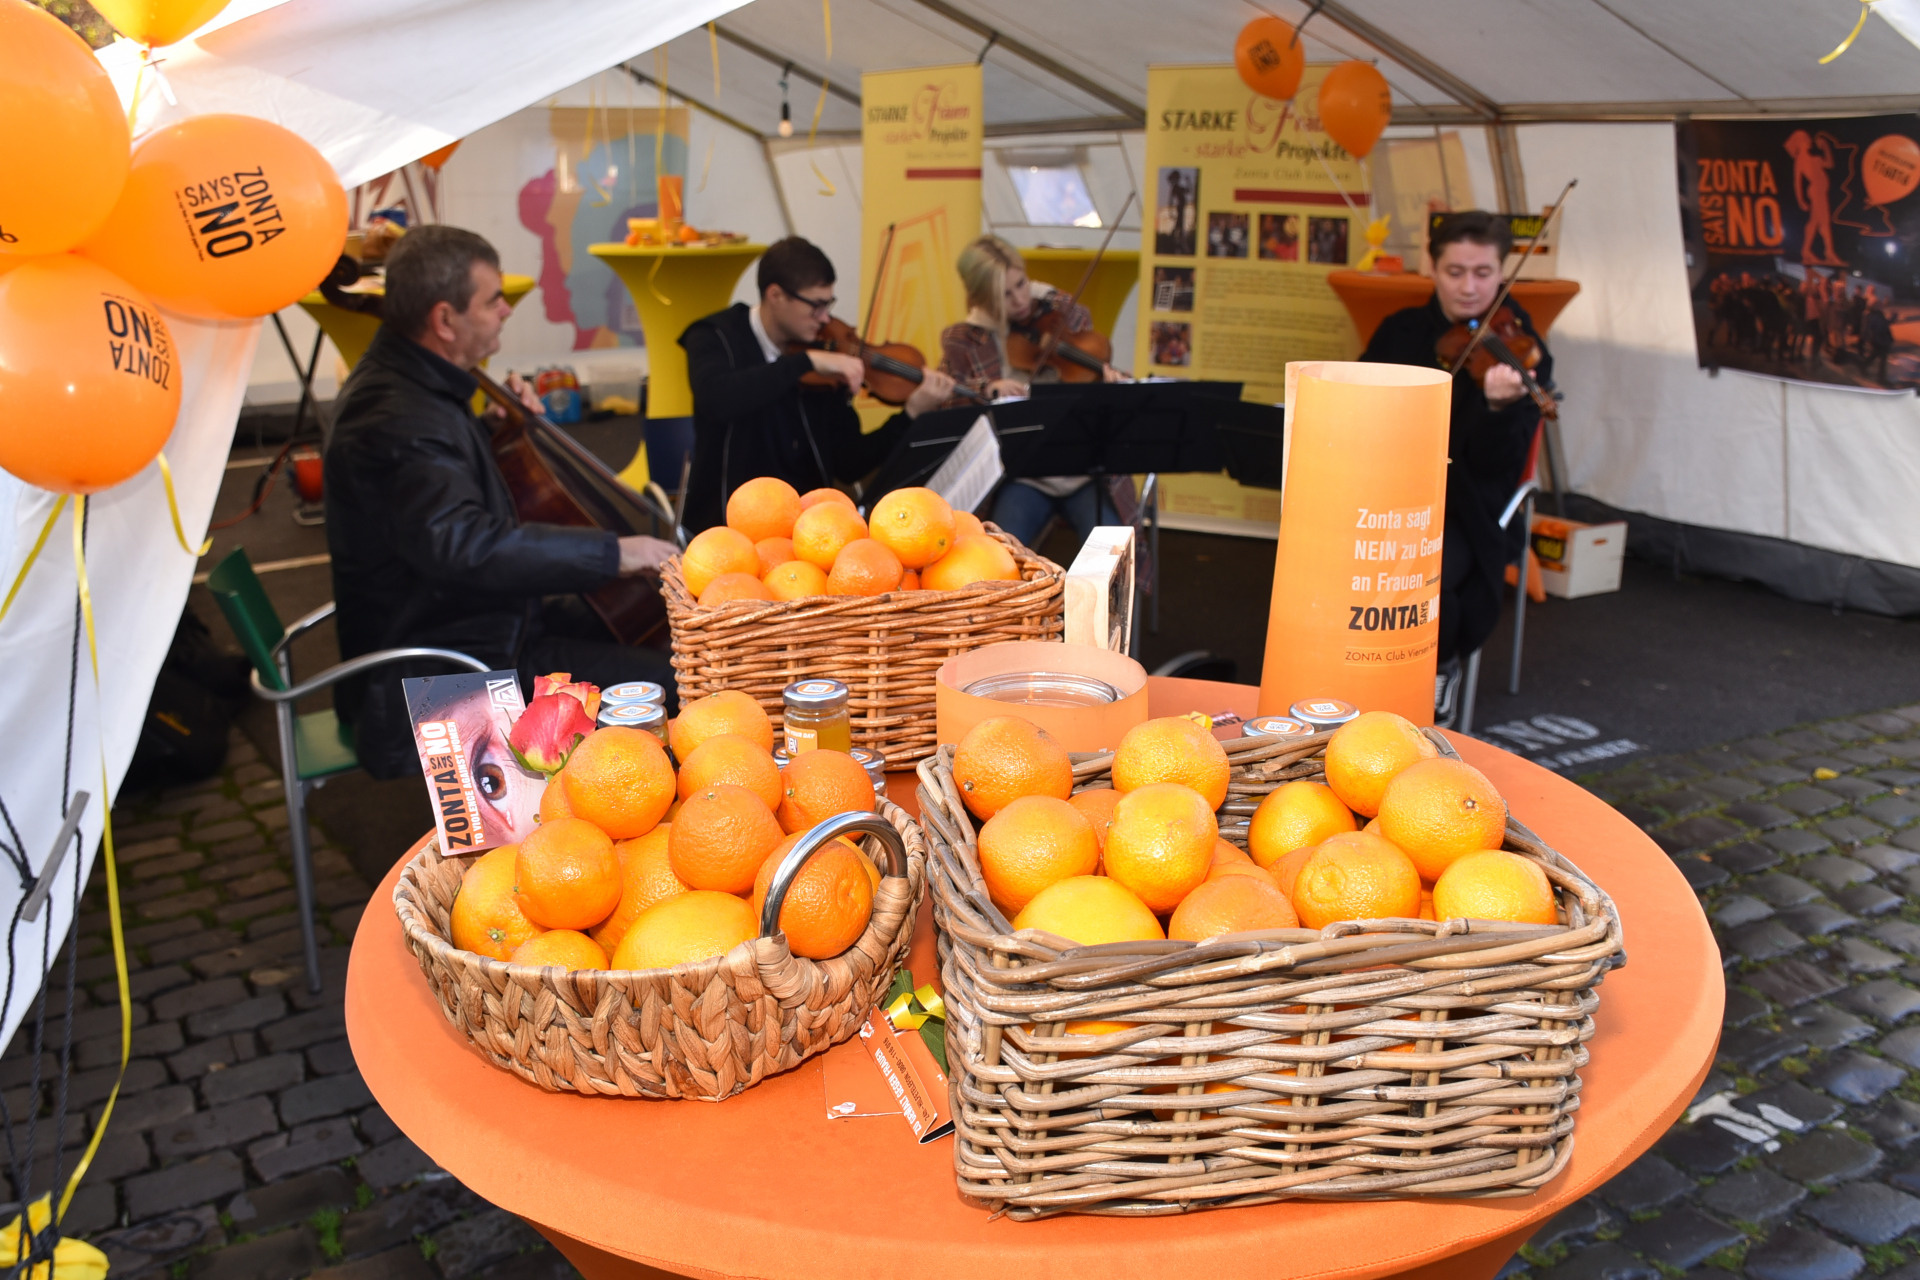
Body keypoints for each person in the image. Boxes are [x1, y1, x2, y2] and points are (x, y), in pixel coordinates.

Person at [324, 225, 679, 779]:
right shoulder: (396, 415)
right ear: (444, 321)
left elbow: (427, 493)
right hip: (440, 672)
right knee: (666, 687)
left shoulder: (414, 390)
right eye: (493, 300)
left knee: (663, 653)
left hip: (478, 624)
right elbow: (461, 543)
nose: (507, 311)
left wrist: (490, 432)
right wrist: (616, 553)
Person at [1360, 211, 1553, 727]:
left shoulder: (1519, 349)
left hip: (1470, 505)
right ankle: (1349, 679)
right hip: (1388, 494)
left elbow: (1500, 467)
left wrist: (1498, 411)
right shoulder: (1401, 332)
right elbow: (1359, 412)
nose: (1470, 288)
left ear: (1502, 271)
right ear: (1433, 267)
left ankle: (1434, 671)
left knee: (1428, 580)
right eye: (1455, 272)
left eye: (1484, 273)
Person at [678, 237, 955, 533]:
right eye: (816, 306)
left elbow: (850, 463)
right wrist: (805, 362)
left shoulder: (827, 358)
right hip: (727, 525)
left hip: (810, 530)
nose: (825, 318)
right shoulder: (714, 336)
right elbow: (717, 399)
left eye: (829, 305)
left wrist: (909, 416)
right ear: (776, 295)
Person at [938, 236, 1125, 548]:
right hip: (1023, 475)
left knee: (1112, 552)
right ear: (982, 299)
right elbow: (946, 399)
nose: (1020, 300)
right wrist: (987, 389)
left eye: (1021, 284)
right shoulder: (964, 339)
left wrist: (1110, 386)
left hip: (1081, 473)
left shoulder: (1063, 314)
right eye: (1004, 295)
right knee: (999, 553)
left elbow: (1092, 386)